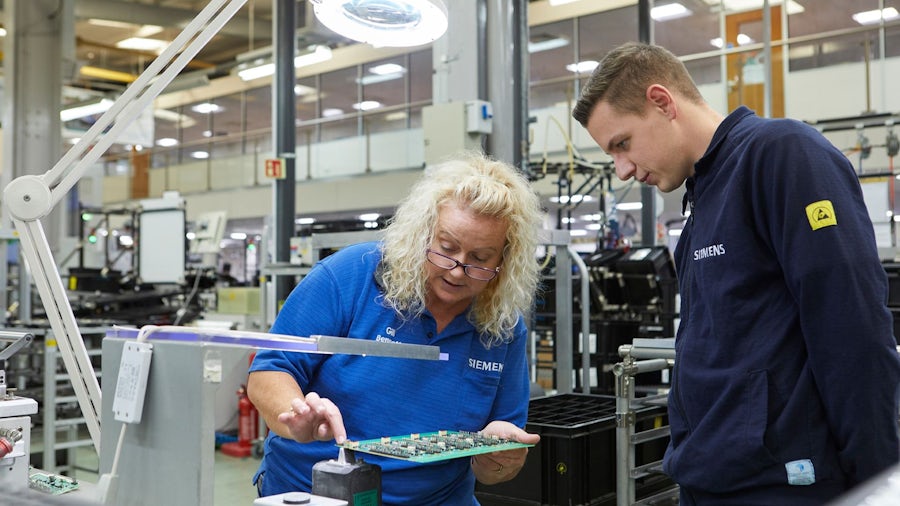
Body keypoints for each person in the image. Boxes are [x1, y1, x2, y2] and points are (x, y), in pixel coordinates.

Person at [573, 42, 900, 505]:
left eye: (622, 143)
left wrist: (879, 485)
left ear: (662, 102)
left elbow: (852, 331)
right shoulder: (702, 198)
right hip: (711, 480)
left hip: (783, 485)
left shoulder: (781, 154)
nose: (622, 169)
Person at [246, 151, 543, 505]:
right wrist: (296, 413)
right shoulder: (348, 276)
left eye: (480, 259)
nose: (457, 270)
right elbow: (269, 370)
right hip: (317, 491)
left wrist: (499, 456)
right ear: (422, 234)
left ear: (504, 261)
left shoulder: (503, 327)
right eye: (446, 248)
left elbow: (492, 471)